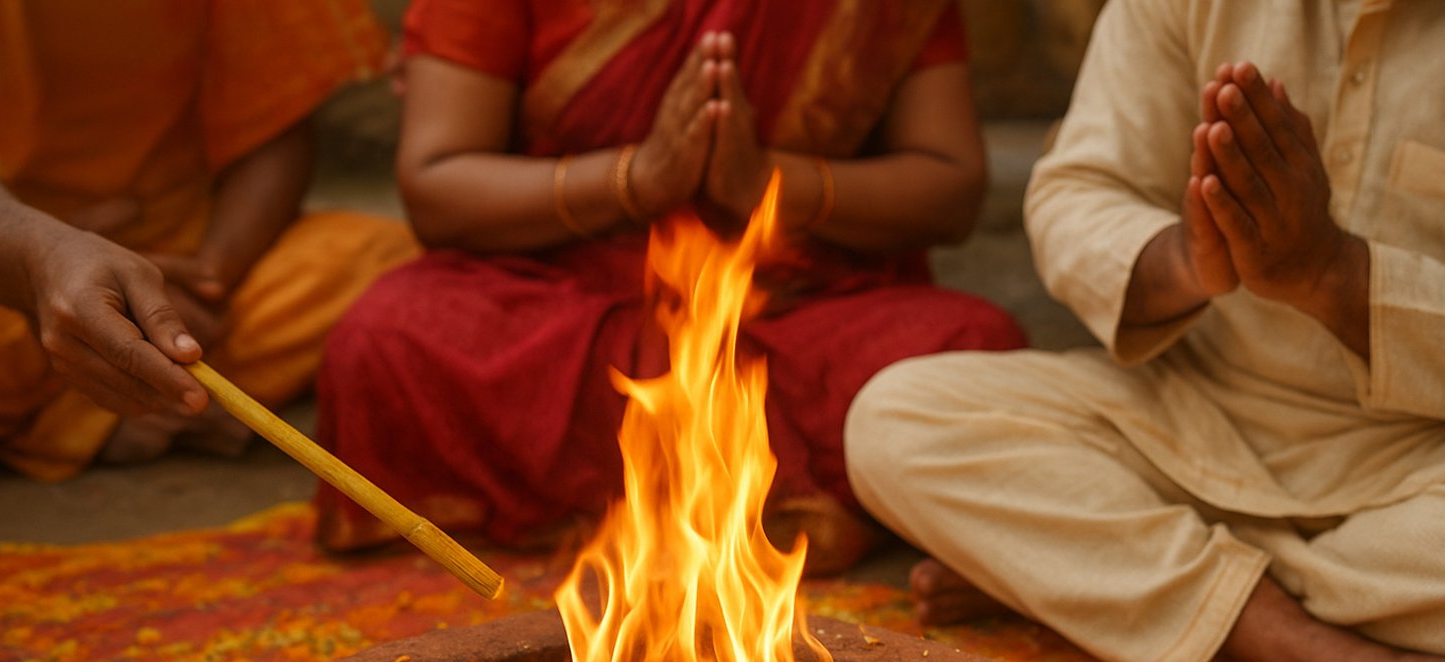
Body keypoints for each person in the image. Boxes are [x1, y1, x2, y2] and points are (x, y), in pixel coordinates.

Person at [844, 0, 1445, 662]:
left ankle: (1117, 578)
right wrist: (1183, 259)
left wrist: (1334, 276)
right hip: (1189, 420)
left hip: (1440, 457)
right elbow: (1075, 191)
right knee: (895, 418)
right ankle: (1314, 652)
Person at [315, 0, 1025, 574]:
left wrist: (766, 182)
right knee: (383, 339)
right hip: (560, 294)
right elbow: (439, 186)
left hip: (795, 307)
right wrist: (639, 178)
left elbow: (949, 190)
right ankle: (767, 502)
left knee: (973, 352)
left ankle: (646, 499)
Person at [0, 1, 420, 482]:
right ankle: (103, 401)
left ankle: (108, 391)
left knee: (387, 263)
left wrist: (211, 275)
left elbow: (277, 118)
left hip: (178, 261)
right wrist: (45, 254)